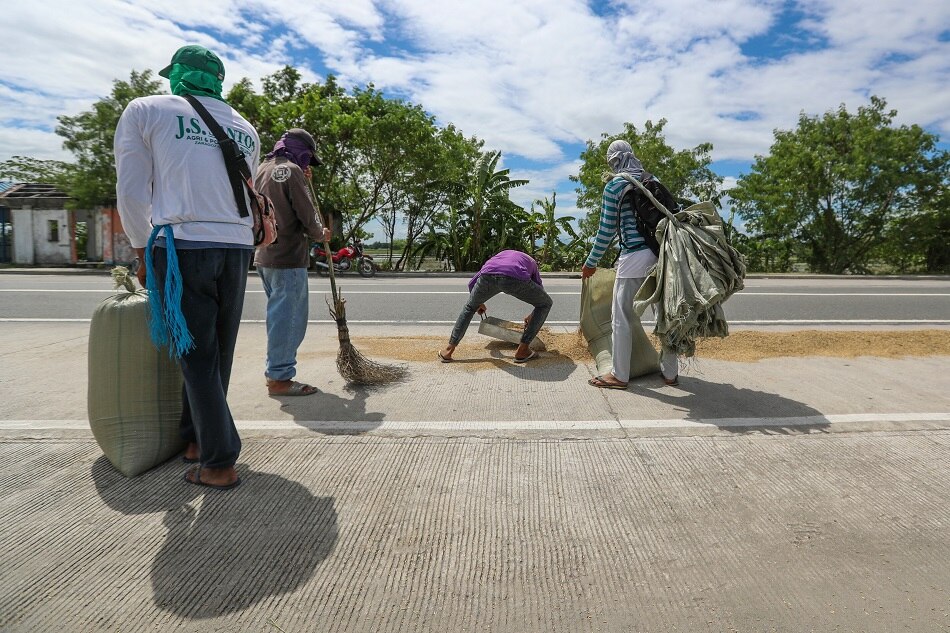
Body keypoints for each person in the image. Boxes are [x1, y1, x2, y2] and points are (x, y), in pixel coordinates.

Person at [114, 45, 260, 490]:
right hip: (236, 247)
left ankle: (218, 461)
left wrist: (141, 250)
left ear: (177, 75)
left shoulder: (146, 109)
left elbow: (133, 190)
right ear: (218, 80)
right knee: (218, 350)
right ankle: (195, 439)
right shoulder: (245, 128)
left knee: (195, 355)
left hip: (183, 246)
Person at [581, 139, 679, 389]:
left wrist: (591, 262)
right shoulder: (651, 179)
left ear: (613, 160)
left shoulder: (614, 186)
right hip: (662, 254)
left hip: (634, 256)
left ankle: (619, 375)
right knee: (663, 314)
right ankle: (670, 373)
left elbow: (605, 231)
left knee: (621, 316)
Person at [253, 129, 332, 396]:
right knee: (289, 320)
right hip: (287, 258)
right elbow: (306, 215)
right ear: (302, 151)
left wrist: (300, 174)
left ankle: (276, 370)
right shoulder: (292, 172)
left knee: (278, 317)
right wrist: (321, 234)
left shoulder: (263, 167)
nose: (308, 165)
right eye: (308, 159)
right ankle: (279, 378)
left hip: (265, 256)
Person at [439, 250, 552, 363]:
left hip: (488, 275)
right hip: (515, 276)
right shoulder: (532, 262)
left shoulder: (500, 256)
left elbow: (471, 284)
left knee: (469, 308)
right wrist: (533, 315)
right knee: (546, 303)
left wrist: (478, 303)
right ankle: (523, 349)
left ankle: (448, 350)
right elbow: (540, 296)